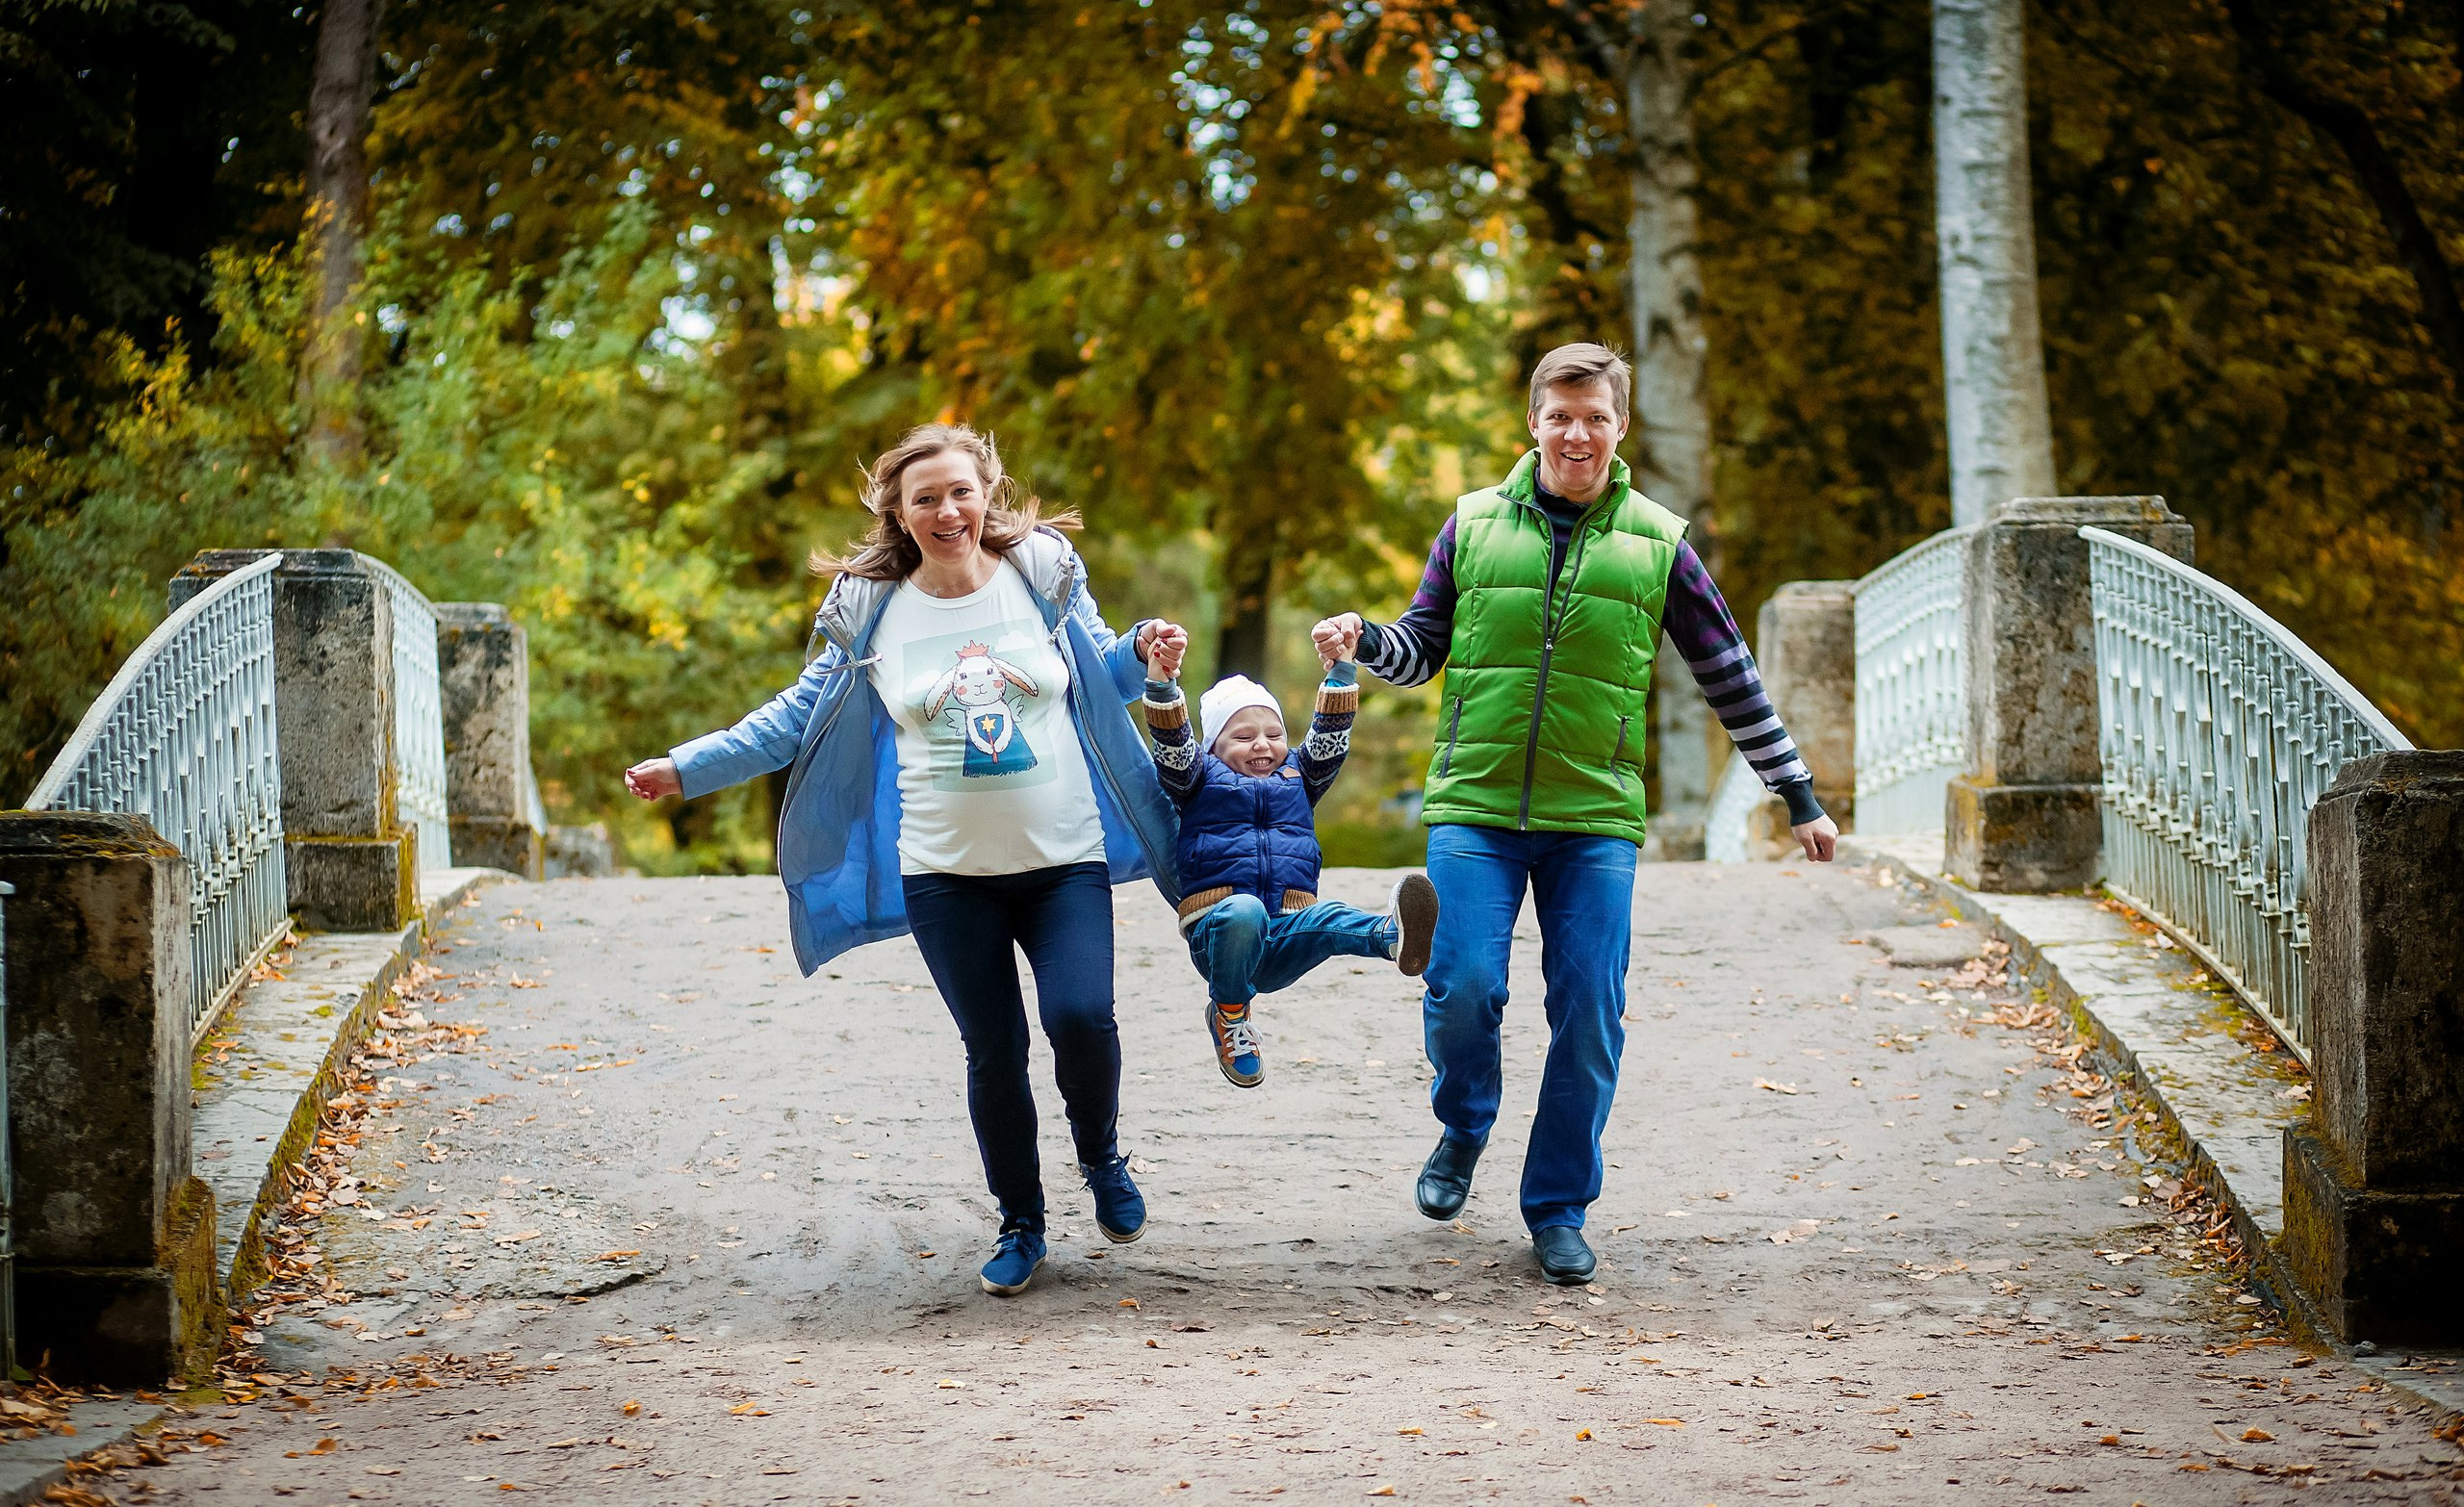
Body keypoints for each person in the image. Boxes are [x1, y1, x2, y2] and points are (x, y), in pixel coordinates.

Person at [1312, 343, 1840, 1287]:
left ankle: (1557, 1205)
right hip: (1475, 803)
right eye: (1560, 415)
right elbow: (1419, 647)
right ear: (1533, 422)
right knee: (1464, 986)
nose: (1577, 433)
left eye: (1595, 415)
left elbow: (1729, 676)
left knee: (1590, 1007)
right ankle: (1463, 1126)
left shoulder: (1657, 542)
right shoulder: (1471, 526)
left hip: (1592, 814)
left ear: (1620, 426)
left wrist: (1795, 792)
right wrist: (1361, 645)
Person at [624, 422, 1186, 1298]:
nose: (946, 510)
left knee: (1081, 1018)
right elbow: (792, 718)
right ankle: (1021, 1221)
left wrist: (1144, 650)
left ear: (986, 492)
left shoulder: (1042, 575)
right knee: (993, 1050)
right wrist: (688, 767)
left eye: (960, 491)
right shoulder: (870, 608)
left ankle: (1102, 1155)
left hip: (1062, 859)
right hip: (946, 875)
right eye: (924, 497)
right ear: (898, 510)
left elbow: (1102, 672)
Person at [1137, 623, 1440, 1088]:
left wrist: (1341, 668)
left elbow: (1330, 734)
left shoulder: (1301, 776)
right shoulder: (1196, 780)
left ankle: (1394, 937)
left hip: (1286, 930)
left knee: (1331, 917)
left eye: (1273, 733)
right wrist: (1161, 683)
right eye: (1243, 737)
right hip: (1222, 932)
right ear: (1213, 747)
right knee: (1245, 911)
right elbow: (1172, 744)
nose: (1262, 744)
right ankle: (1231, 1015)